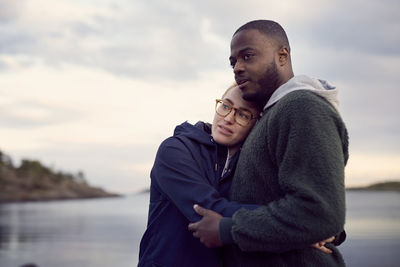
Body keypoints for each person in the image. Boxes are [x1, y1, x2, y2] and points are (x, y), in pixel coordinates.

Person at [188, 20, 349, 266]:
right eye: (233, 62)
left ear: (282, 56)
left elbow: (320, 212)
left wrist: (228, 229)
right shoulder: (270, 115)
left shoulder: (301, 107)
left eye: (247, 56)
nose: (238, 67)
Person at [138, 84, 262, 267]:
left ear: (256, 124)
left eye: (243, 115)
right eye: (225, 106)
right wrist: (297, 224)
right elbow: (208, 210)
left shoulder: (249, 165)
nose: (228, 118)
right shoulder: (175, 149)